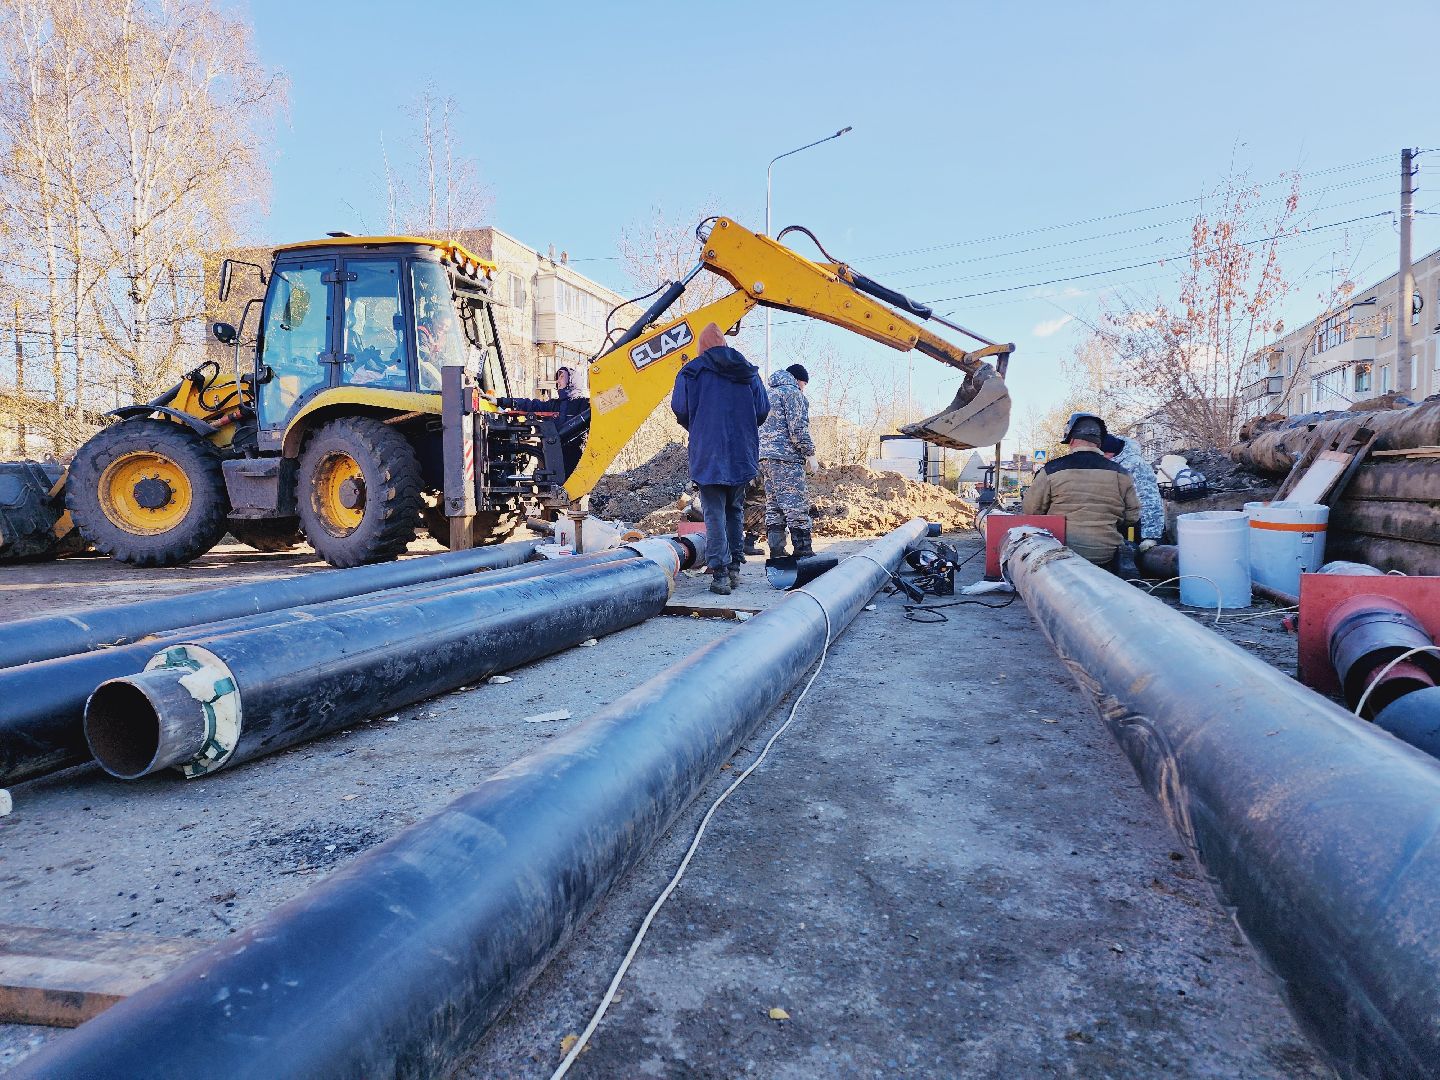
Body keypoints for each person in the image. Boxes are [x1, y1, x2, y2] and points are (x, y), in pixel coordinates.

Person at [670, 324, 770, 594]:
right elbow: (763, 409)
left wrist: (699, 426)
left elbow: (680, 408)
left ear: (701, 348)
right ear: (725, 344)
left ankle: (721, 575)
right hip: (741, 450)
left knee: (714, 512)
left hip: (708, 450)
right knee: (734, 509)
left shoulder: (691, 371)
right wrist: (744, 426)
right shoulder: (747, 370)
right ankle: (735, 568)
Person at [1022, 412, 1140, 569]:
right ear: (1099, 442)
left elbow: (1031, 510)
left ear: (1071, 440)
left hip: (1061, 555)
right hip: (1106, 555)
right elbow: (1132, 517)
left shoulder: (1050, 470)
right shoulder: (1122, 473)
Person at [758, 362, 819, 558]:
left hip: (764, 458)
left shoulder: (767, 393)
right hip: (787, 458)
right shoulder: (792, 393)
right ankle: (803, 551)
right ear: (798, 380)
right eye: (804, 384)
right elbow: (797, 428)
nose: (803, 388)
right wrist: (810, 454)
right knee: (796, 504)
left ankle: (777, 552)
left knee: (774, 505)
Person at [499, 366, 590, 478]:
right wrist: (502, 401)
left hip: (575, 457)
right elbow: (531, 404)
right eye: (558, 377)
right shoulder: (553, 404)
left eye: (562, 377)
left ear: (571, 380)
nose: (558, 381)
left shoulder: (584, 405)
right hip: (553, 455)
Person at [1103, 433, 1163, 554]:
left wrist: (1150, 536)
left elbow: (1149, 499)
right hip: (1119, 524)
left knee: (1135, 558)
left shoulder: (1135, 465)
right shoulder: (1111, 464)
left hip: (1138, 528)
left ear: (1109, 453)